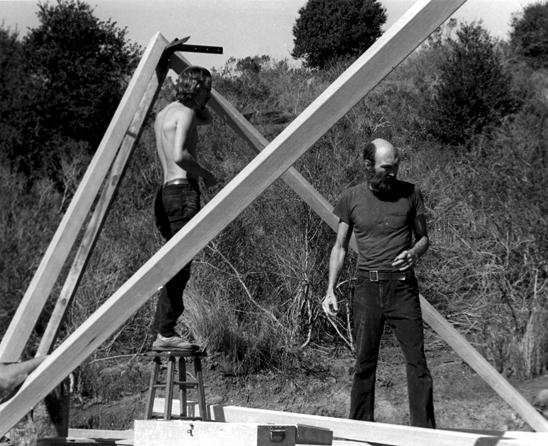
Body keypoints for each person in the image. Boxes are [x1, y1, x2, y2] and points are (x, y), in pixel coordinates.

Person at [322, 138, 435, 428]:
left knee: (417, 363)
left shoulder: (412, 194)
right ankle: (360, 430)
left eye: (396, 166)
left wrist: (414, 252)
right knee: (364, 363)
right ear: (368, 165)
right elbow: (340, 246)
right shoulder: (351, 198)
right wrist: (330, 290)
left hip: (403, 288)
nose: (393, 173)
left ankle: (424, 434)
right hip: (367, 288)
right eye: (386, 167)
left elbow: (423, 239)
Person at [151, 66, 217, 351]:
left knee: (174, 263)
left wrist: (198, 101)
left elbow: (209, 118)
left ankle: (162, 330)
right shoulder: (187, 113)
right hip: (183, 191)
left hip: (164, 194)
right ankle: (166, 332)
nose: (209, 95)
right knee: (181, 266)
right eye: (207, 89)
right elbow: (180, 155)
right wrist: (206, 174)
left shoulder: (164, 114)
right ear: (196, 86)